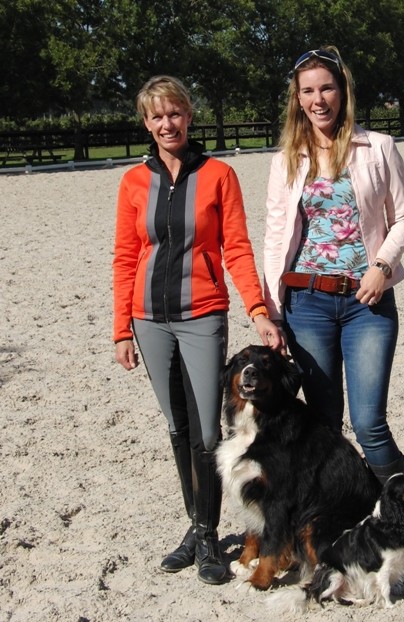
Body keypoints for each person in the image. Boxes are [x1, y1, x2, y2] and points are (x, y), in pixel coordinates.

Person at [113, 75, 284, 585]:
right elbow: (126, 256)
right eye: (156, 116)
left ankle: (208, 539)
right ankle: (196, 527)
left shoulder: (218, 175)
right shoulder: (133, 182)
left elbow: (237, 247)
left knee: (207, 430)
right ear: (146, 124)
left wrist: (257, 308)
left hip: (202, 315)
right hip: (148, 319)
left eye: (175, 113)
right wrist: (122, 328)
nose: (167, 124)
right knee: (177, 428)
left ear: (189, 116)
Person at [263, 47, 404, 485]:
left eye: (327, 88)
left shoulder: (378, 147)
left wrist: (382, 266)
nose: (319, 100)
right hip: (306, 304)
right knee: (324, 421)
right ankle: (339, 506)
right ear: (297, 99)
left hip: (367, 304)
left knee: (369, 423)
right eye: (308, 91)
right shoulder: (286, 159)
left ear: (342, 91)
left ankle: (400, 510)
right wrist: (271, 311)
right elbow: (275, 235)